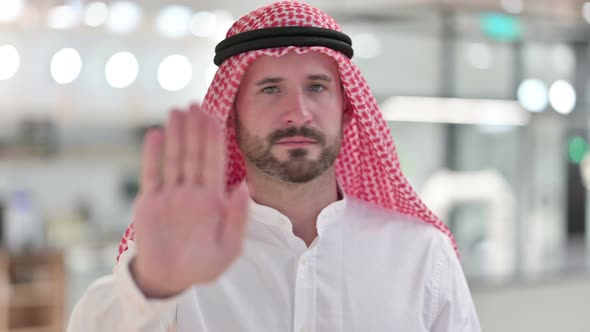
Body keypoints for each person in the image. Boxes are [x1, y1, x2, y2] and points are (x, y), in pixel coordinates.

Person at [67, 2, 481, 331]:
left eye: (317, 87)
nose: (297, 112)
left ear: (348, 109)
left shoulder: (420, 253)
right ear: (232, 113)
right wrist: (152, 285)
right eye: (270, 89)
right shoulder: (182, 251)